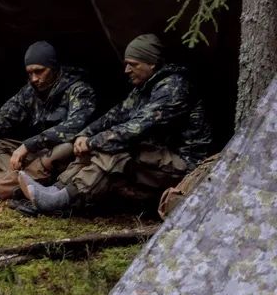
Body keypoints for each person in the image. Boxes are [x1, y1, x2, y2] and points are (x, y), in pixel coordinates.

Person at [18, 33, 213, 213]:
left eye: (133, 64)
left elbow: (136, 128)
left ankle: (59, 200)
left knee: (114, 150)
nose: (127, 70)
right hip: (159, 158)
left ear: (151, 63)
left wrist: (92, 142)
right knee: (100, 145)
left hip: (185, 167)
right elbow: (115, 115)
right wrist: (85, 134)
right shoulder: (145, 88)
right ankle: (55, 191)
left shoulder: (174, 87)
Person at [0, 41, 97, 200]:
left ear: (54, 67)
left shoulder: (79, 90)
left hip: (63, 160)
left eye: (39, 71)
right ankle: (19, 182)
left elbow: (73, 127)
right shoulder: (30, 92)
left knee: (65, 148)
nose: (34, 78)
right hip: (38, 155)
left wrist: (28, 145)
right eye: (30, 73)